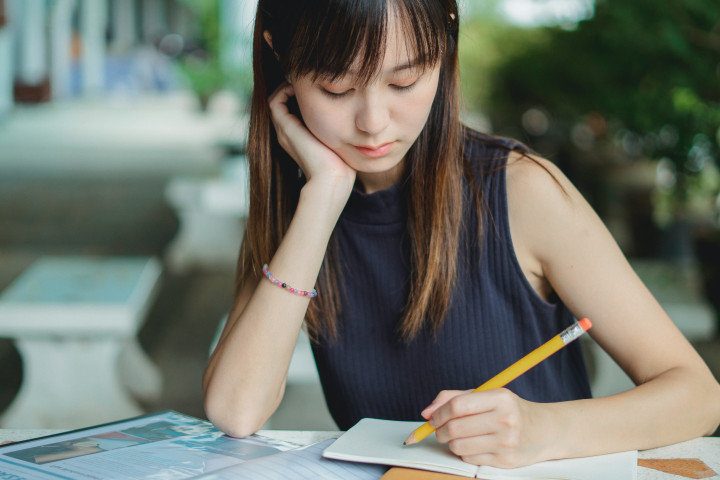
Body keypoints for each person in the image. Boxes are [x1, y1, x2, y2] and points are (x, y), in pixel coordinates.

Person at [203, 0, 720, 468]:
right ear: (279, 55)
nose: (374, 122)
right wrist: (323, 199)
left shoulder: (519, 191)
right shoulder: (300, 205)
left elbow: (699, 396)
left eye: (404, 82)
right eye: (336, 88)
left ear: (447, 37)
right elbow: (236, 409)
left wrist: (545, 430)